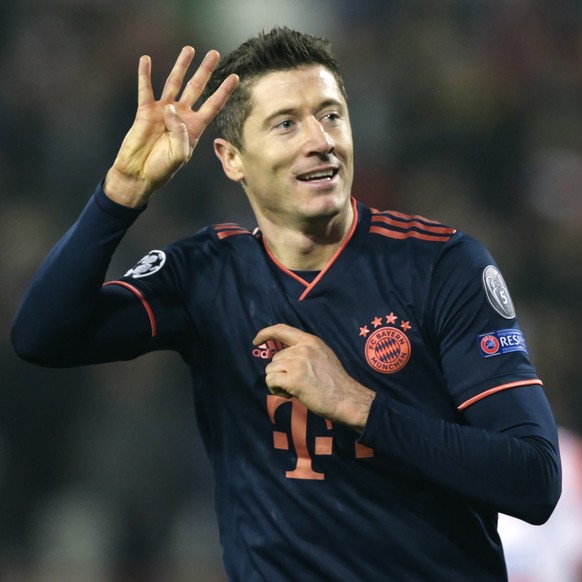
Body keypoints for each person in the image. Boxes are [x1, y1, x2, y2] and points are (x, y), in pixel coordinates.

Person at [11, 27, 561, 581]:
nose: (319, 140)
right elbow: (41, 336)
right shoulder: (206, 273)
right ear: (232, 159)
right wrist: (120, 194)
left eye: (331, 115)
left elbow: (535, 480)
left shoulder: (443, 265)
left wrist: (358, 405)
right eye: (286, 123)